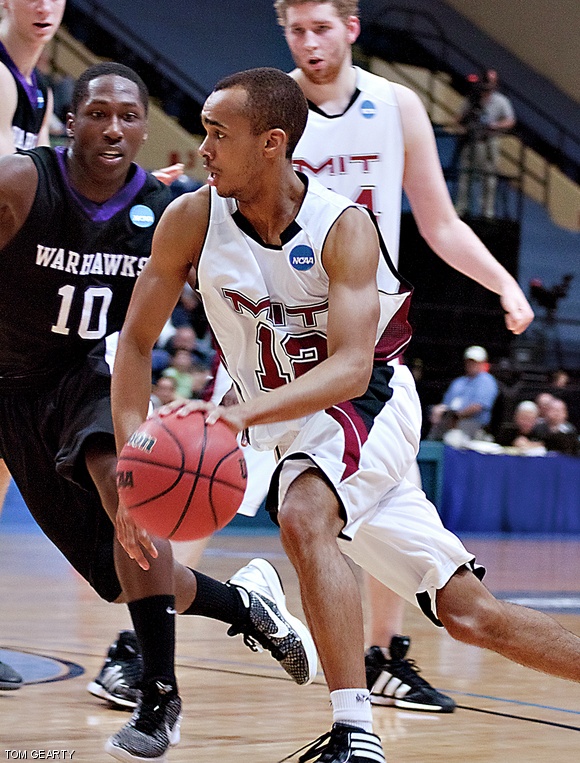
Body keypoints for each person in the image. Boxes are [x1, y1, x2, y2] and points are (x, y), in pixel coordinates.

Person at [112, 65, 580, 763]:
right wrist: (130, 460)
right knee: (471, 615)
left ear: (272, 142)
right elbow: (136, 345)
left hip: (369, 404)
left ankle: (355, 732)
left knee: (303, 511)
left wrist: (239, 416)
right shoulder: (190, 220)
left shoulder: (344, 226)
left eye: (218, 133)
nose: (203, 148)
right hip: (282, 423)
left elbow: (351, 368)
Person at [0, 62, 317, 760]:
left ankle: (160, 698)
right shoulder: (23, 182)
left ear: (145, 127)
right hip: (10, 393)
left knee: (132, 496)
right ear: (71, 122)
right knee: (122, 577)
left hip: (86, 374)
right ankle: (246, 607)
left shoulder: (160, 211)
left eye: (128, 115)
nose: (113, 127)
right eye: (97, 113)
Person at [275, 0, 533, 713]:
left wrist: (504, 283)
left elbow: (441, 221)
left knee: (390, 486)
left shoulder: (394, 106)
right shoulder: (273, 104)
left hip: (373, 333)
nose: (308, 41)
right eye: (295, 29)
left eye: (321, 26)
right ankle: (147, 639)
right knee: (209, 472)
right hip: (287, 330)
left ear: (351, 28)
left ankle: (382, 655)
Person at [454, 69, 516, 219]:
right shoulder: (473, 98)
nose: (488, 86)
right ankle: (462, 208)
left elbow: (510, 121)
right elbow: (459, 118)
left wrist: (495, 126)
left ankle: (486, 211)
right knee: (465, 175)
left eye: (491, 82)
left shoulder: (501, 101)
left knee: (489, 177)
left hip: (489, 142)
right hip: (471, 141)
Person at [428, 346, 499, 440]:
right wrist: (438, 411)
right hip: (450, 420)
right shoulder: (458, 382)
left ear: (482, 363)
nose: (471, 365)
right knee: (434, 427)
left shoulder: (487, 380)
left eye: (475, 362)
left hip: (473, 423)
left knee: (453, 437)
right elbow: (446, 404)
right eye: (469, 362)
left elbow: (477, 407)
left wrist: (456, 417)